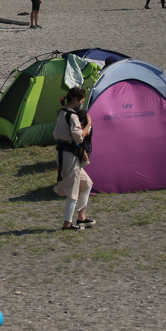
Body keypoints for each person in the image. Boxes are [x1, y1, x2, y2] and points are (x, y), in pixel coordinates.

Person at [53, 87, 95, 231]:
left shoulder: (61, 113)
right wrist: (88, 126)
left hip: (65, 154)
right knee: (73, 191)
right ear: (75, 100)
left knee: (87, 183)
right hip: (69, 156)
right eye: (81, 101)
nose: (81, 104)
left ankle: (81, 218)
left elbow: (55, 134)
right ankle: (67, 224)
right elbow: (78, 136)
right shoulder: (71, 116)